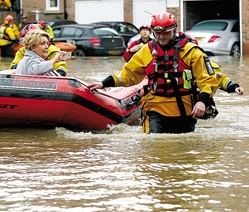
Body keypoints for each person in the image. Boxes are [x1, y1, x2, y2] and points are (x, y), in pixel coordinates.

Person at [88, 12, 218, 134]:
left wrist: (202, 102)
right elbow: (128, 75)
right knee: (153, 146)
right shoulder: (147, 50)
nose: (161, 37)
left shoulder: (191, 52)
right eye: (157, 33)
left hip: (184, 110)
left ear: (174, 30)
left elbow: (206, 80)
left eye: (165, 33)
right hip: (154, 108)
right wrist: (103, 83)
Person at [184, 33, 244, 119]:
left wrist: (235, 87)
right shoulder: (174, 67)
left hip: (206, 113)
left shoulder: (209, 66)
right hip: (185, 112)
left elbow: (221, 80)